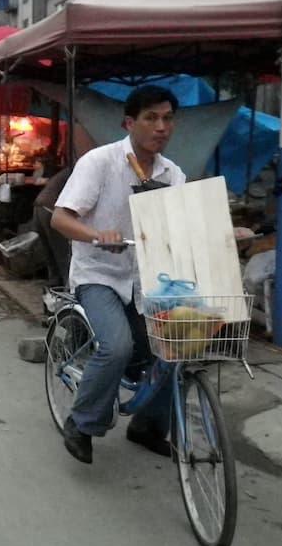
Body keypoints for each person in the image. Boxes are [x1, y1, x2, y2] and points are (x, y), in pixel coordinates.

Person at [51, 85, 185, 465]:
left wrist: (224, 233)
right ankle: (83, 421)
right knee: (117, 346)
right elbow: (61, 218)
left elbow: (181, 227)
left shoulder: (173, 175)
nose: (161, 126)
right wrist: (96, 234)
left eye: (168, 118)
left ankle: (147, 426)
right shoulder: (100, 162)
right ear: (130, 123)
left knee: (176, 346)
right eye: (151, 118)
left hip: (146, 281)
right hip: (99, 275)